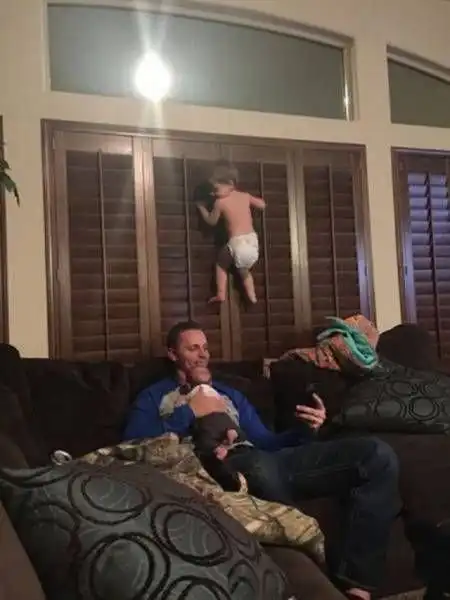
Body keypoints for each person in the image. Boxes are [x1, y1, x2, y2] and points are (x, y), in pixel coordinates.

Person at [123, 321, 400, 600]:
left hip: (264, 459)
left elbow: (265, 441)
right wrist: (190, 412)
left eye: (205, 347)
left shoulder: (230, 394)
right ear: (173, 354)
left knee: (376, 455)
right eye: (193, 348)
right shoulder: (154, 396)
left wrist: (305, 429)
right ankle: (319, 578)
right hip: (220, 467)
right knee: (257, 467)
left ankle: (357, 585)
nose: (203, 354)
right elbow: (132, 444)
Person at [196, 161, 265, 304]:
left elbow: (211, 221)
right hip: (252, 242)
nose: (214, 193)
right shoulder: (244, 196)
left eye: (216, 189)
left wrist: (202, 208)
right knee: (244, 270)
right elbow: (262, 205)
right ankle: (252, 295)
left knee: (221, 264)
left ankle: (221, 293)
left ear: (230, 184)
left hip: (236, 242)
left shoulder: (220, 203)